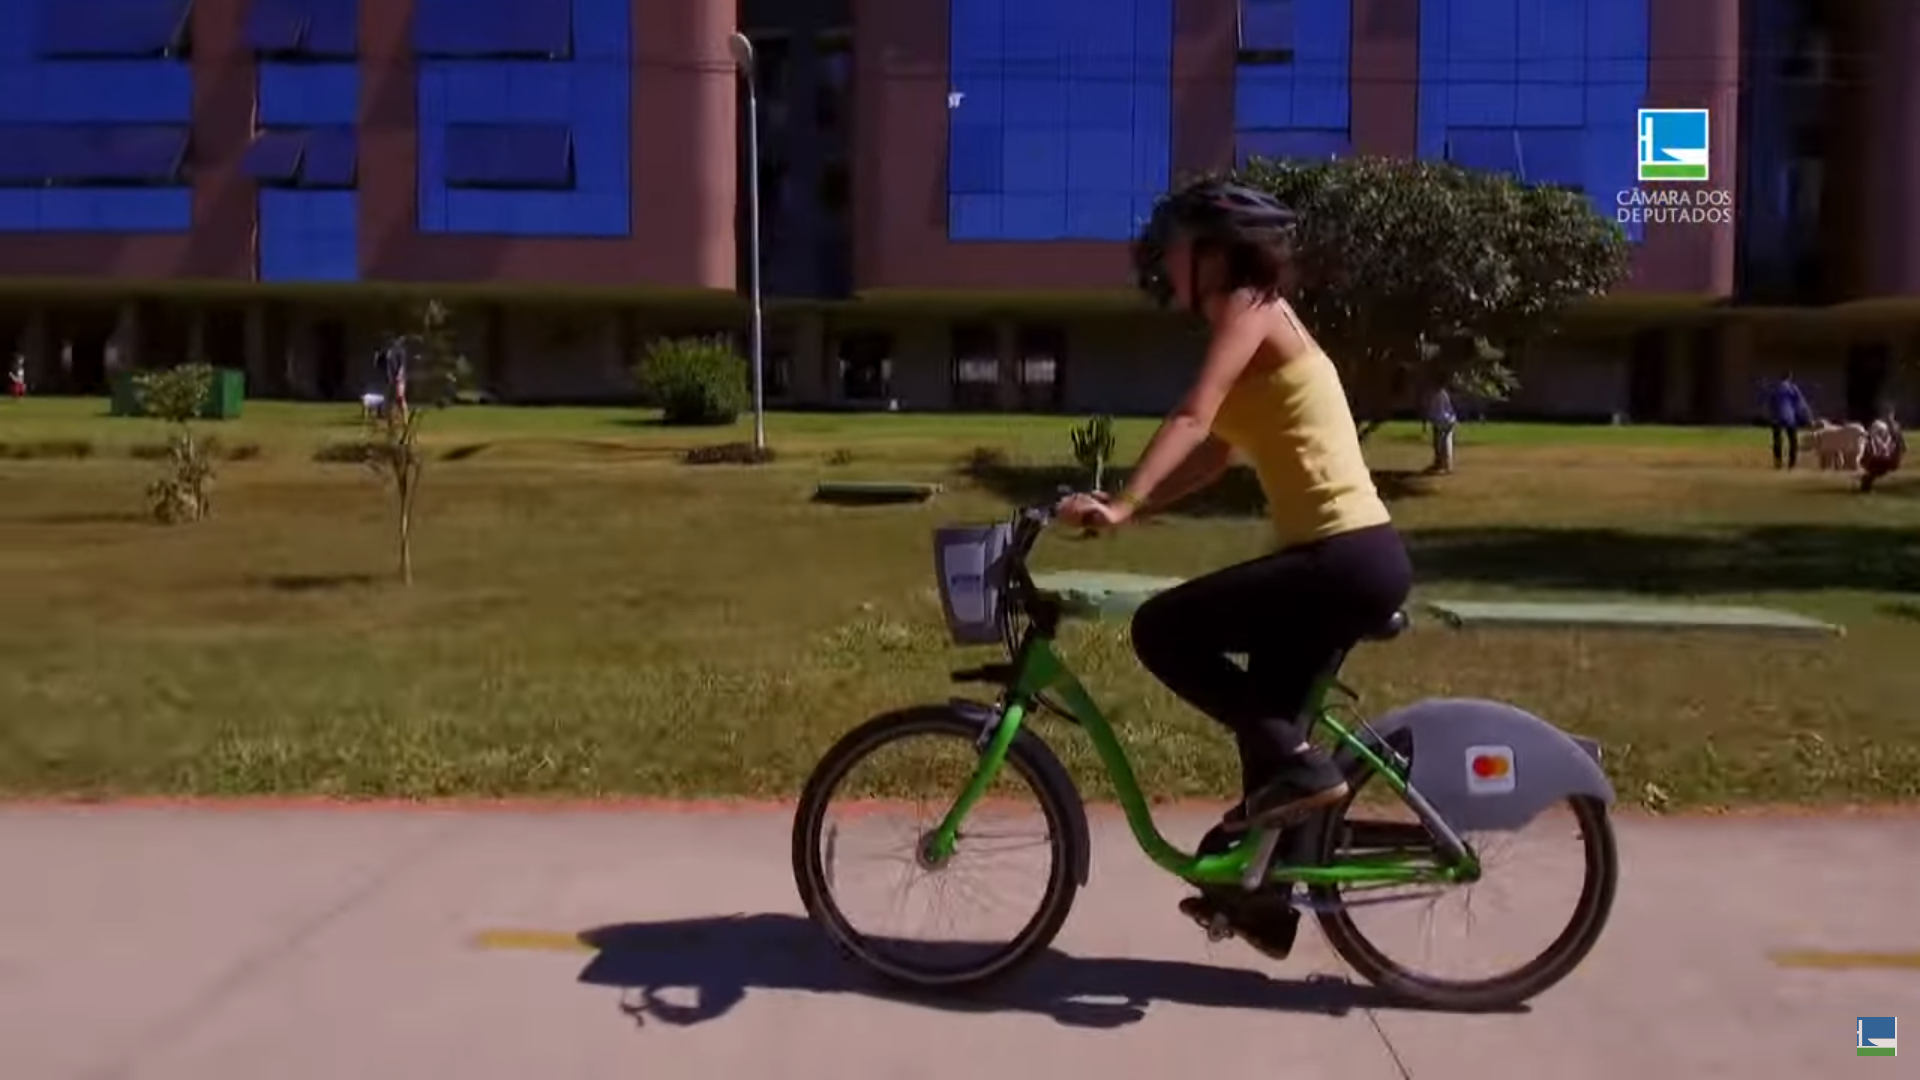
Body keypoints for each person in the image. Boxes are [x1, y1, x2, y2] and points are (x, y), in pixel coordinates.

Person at [1057, 179, 1411, 953]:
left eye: (1178, 247)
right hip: (1339, 558)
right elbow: (1216, 453)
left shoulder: (1250, 308)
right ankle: (1265, 900)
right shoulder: (1253, 323)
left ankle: (1304, 775)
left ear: (1217, 254)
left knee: (1163, 630)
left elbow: (1193, 414)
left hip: (1341, 557)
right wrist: (1138, 508)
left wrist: (1121, 503)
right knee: (1269, 732)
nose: (1166, 262)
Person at [1765, 372, 1811, 469]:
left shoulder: (1776, 388)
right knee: (1793, 440)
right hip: (1790, 417)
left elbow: (1770, 403)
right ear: (1790, 378)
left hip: (1777, 417)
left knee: (1777, 440)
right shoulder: (1793, 388)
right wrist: (1807, 417)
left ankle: (1778, 461)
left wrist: (1772, 416)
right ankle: (1792, 463)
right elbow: (1801, 403)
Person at [1860, 408, 1906, 493]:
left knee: (1887, 467)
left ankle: (1866, 482)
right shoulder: (1879, 426)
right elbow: (1873, 439)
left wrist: (1900, 448)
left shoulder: (1894, 426)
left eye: (1890, 416)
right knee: (1879, 467)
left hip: (1888, 454)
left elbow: (1899, 440)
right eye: (1887, 416)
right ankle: (1866, 484)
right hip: (1879, 454)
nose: (1889, 418)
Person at [1426, 379, 1457, 474]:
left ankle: (1446, 465)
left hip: (1443, 420)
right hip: (1445, 419)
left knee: (1443, 442)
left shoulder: (1438, 393)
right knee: (1439, 442)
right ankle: (1439, 463)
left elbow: (1436, 410)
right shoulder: (1442, 393)